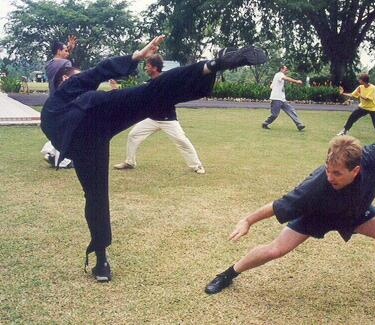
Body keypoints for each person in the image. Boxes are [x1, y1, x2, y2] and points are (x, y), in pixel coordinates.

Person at [40, 35, 267, 282]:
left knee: (95, 197)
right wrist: (136, 56)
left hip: (88, 138)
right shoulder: (70, 88)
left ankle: (102, 261)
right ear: (63, 78)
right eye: (73, 74)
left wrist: (136, 57)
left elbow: (92, 80)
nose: (78, 76)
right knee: (152, 92)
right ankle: (209, 66)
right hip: (95, 121)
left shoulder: (55, 104)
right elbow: (98, 71)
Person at [204, 116, 375, 307]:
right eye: (328, 169)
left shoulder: (374, 157)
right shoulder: (316, 187)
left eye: (337, 173)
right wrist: (247, 220)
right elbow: (278, 205)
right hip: (318, 214)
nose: (330, 176)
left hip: (356, 212)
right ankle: (228, 274)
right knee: (276, 249)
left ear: (356, 170)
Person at [113, 54, 205, 174]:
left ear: (155, 68)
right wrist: (115, 90)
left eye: (148, 66)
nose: (146, 68)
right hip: (151, 119)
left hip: (168, 120)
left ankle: (197, 166)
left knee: (181, 141)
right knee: (133, 135)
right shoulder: (149, 83)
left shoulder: (167, 81)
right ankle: (130, 162)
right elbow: (133, 95)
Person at [42, 35, 78, 167]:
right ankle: (58, 157)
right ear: (58, 51)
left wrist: (69, 48)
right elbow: (67, 79)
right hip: (65, 99)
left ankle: (53, 154)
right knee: (66, 128)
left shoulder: (49, 64)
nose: (67, 53)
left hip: (53, 99)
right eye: (65, 50)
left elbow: (60, 60)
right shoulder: (66, 64)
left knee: (61, 127)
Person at [337, 73, 375, 140]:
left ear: (363, 80)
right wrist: (343, 93)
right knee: (352, 117)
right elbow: (352, 95)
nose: (358, 80)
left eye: (359, 79)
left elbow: (367, 98)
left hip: (373, 108)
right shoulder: (360, 87)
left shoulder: (373, 87)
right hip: (363, 107)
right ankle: (344, 131)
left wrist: (359, 94)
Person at [262, 65, 306, 131]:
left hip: (282, 99)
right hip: (276, 99)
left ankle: (299, 125)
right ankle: (265, 123)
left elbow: (271, 87)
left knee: (291, 110)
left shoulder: (277, 77)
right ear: (281, 69)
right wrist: (296, 81)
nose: (287, 70)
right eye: (286, 69)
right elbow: (286, 78)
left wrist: (273, 83)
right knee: (274, 115)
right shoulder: (279, 74)